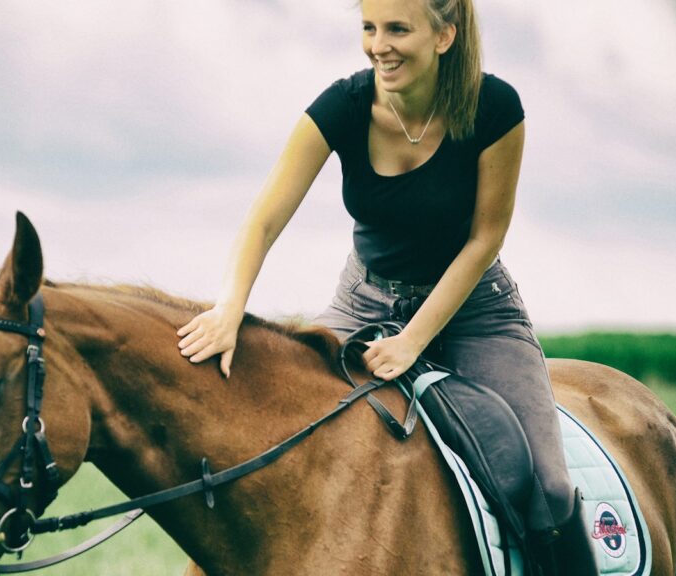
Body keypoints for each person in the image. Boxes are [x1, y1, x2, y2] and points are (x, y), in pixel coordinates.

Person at [175, 0, 597, 573]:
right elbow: (265, 218)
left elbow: (484, 240)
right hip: (363, 299)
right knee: (275, 435)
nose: (379, 45)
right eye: (369, 28)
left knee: (546, 486)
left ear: (445, 35)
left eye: (398, 28)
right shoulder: (344, 106)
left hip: (475, 308)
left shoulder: (495, 107)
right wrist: (230, 308)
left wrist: (413, 340)